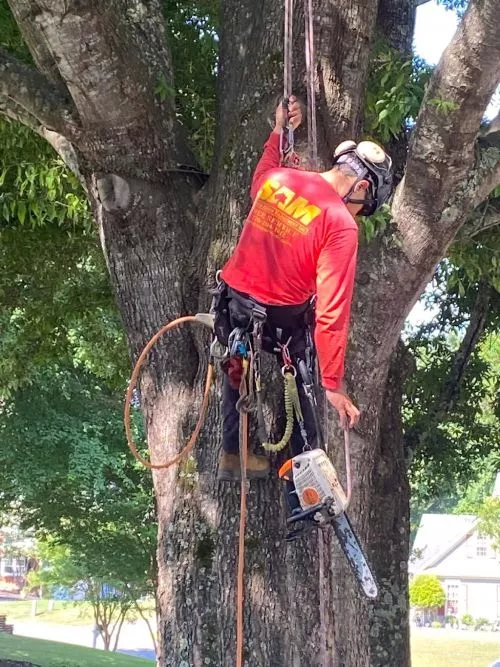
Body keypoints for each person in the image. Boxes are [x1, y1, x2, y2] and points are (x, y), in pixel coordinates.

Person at [216, 96, 393, 482]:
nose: (359, 212)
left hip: (233, 303)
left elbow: (260, 173)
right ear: (362, 185)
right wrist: (333, 384)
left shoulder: (280, 179)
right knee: (303, 376)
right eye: (364, 204)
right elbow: (331, 312)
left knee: (237, 360)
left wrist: (279, 130)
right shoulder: (340, 226)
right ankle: (309, 486)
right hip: (281, 320)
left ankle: (235, 450)